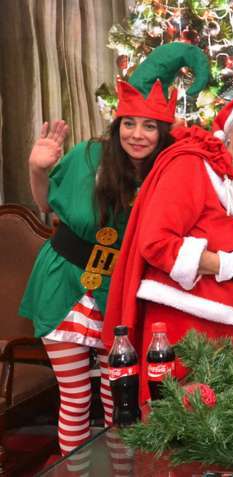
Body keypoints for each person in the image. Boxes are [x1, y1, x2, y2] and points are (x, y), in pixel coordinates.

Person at [19, 43, 207, 454]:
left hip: (118, 292)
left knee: (119, 401)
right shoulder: (88, 155)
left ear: (163, 131)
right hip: (63, 283)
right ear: (118, 123)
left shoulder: (169, 170)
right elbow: (46, 205)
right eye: (129, 124)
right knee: (74, 400)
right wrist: (37, 169)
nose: (137, 134)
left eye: (149, 126)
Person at [103, 92, 233, 401]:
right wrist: (224, 264)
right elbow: (156, 242)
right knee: (183, 418)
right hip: (185, 325)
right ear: (230, 130)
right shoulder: (192, 166)